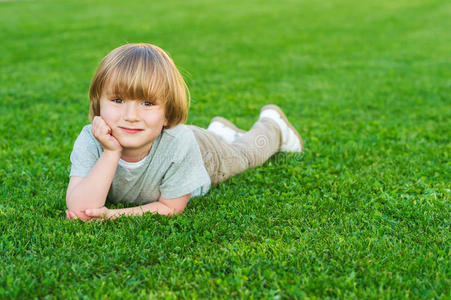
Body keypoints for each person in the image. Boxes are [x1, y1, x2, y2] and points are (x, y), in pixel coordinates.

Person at [65, 43, 303, 221]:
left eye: (147, 103)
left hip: (205, 155)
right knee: (229, 145)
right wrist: (110, 152)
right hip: (181, 141)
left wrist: (113, 215)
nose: (130, 115)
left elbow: (170, 206)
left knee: (246, 156)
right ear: (99, 103)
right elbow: (80, 208)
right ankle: (221, 131)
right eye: (117, 100)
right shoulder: (91, 139)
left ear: (167, 114)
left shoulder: (178, 144)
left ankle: (273, 125)